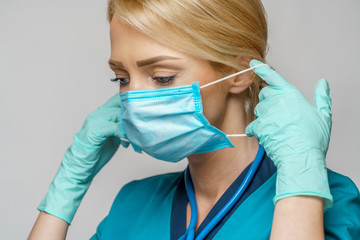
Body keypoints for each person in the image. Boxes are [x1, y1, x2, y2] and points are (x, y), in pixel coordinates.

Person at [28, 0, 360, 239]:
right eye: (122, 79)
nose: (132, 99)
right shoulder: (133, 205)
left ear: (237, 73)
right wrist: (66, 188)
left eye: (161, 77)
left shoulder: (326, 197)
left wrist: (301, 179)